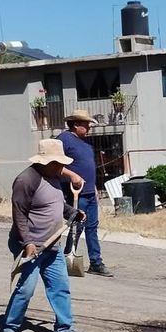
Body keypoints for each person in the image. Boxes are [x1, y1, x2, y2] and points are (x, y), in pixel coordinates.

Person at [0, 139, 86, 332]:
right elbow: (19, 214)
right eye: (57, 162)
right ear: (44, 161)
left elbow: (56, 204)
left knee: (60, 286)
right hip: (31, 246)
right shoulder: (26, 180)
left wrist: (73, 213)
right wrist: (27, 242)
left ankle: (63, 328)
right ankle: (9, 328)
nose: (61, 167)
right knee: (26, 289)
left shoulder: (54, 176)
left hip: (52, 243)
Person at [55, 109, 110, 277]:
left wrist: (93, 188)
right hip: (75, 192)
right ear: (76, 124)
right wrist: (72, 175)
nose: (89, 128)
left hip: (89, 192)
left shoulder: (86, 144)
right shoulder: (63, 139)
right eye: (86, 125)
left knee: (92, 227)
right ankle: (67, 256)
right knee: (77, 226)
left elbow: (88, 167)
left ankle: (96, 262)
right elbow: (54, 164)